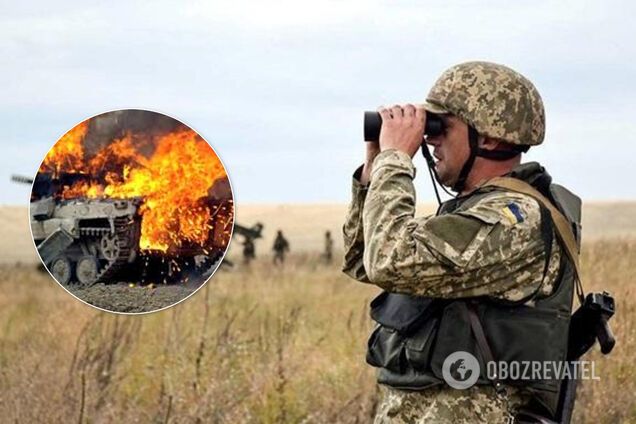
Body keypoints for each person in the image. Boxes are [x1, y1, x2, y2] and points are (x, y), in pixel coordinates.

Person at [342, 61, 582, 423]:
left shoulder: (516, 218)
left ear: (488, 137)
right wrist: (375, 167)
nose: (430, 137)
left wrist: (396, 161)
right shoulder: (470, 212)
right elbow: (363, 260)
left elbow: (389, 261)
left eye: (441, 126)